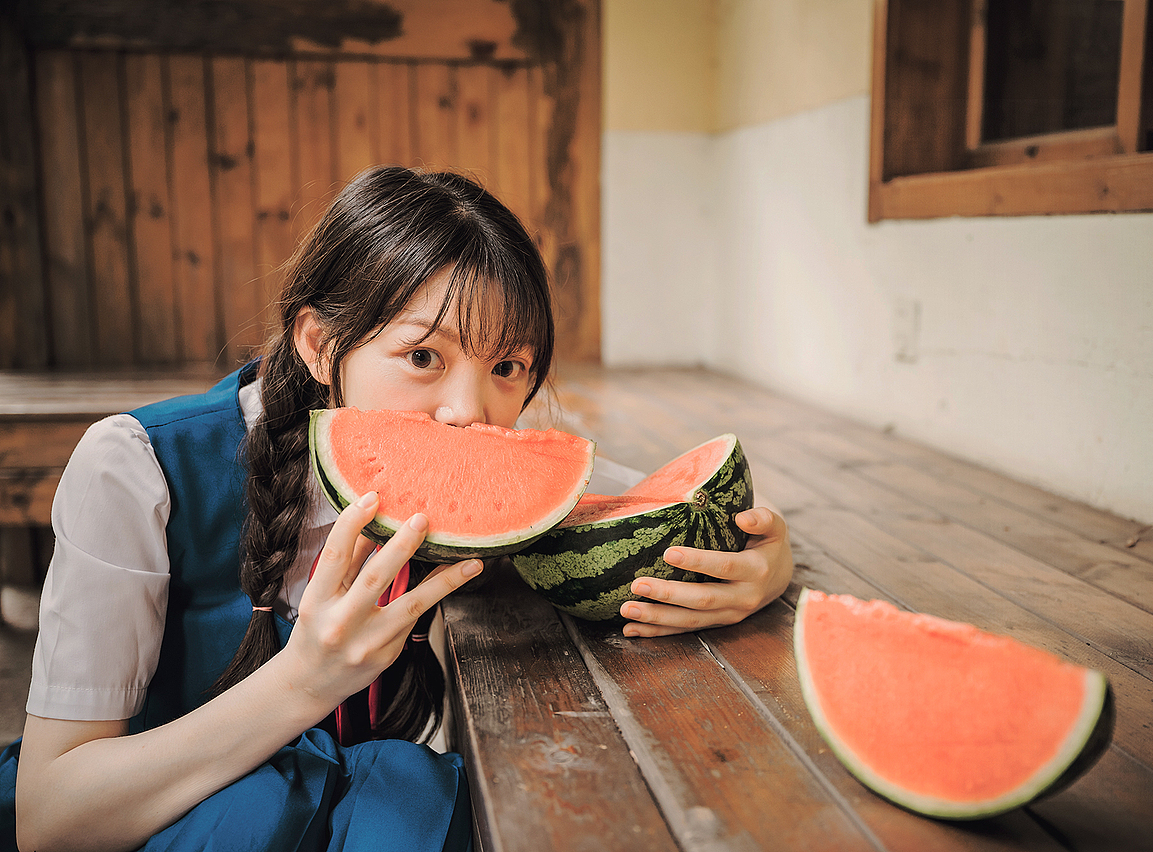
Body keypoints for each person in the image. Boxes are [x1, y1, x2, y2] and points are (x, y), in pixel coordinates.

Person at [0, 165, 793, 852]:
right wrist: (304, 683)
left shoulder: (500, 468)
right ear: (318, 345)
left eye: (509, 366)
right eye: (422, 356)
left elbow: (665, 498)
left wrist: (762, 562)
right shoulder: (137, 468)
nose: (468, 413)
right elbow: (53, 817)